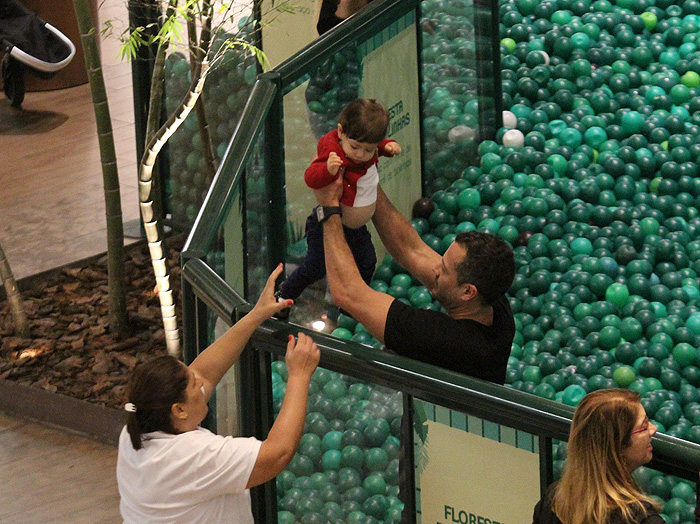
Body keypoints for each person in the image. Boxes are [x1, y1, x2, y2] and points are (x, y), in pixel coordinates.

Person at [116, 265, 320, 524]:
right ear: (179, 409)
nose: (202, 385)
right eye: (193, 384)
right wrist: (300, 375)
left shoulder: (137, 428)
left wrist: (255, 316)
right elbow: (277, 453)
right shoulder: (193, 457)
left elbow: (205, 371)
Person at [312, 178, 515, 384]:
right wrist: (366, 176)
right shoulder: (495, 304)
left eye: (443, 269)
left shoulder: (442, 339)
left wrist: (328, 210)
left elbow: (346, 292)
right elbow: (411, 250)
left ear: (467, 292)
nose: (435, 268)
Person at [278, 98, 402, 307]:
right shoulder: (333, 150)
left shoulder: (364, 147)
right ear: (340, 132)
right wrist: (328, 169)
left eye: (368, 150)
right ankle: (284, 295)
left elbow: (373, 144)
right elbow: (310, 177)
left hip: (356, 229)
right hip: (326, 224)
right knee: (315, 267)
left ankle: (348, 308)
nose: (361, 155)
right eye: (355, 147)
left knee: (367, 262)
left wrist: (385, 147)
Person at [533, 389, 700, 524]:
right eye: (643, 427)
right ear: (618, 447)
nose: (654, 429)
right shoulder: (641, 519)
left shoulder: (553, 502)